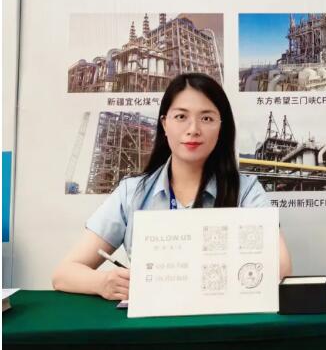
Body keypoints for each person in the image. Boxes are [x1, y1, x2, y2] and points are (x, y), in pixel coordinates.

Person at [53, 72, 292, 300]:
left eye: (206, 118)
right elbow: (63, 274)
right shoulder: (132, 193)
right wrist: (103, 283)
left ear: (221, 127)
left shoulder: (246, 191)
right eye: (181, 117)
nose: (193, 129)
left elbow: (281, 268)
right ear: (165, 124)